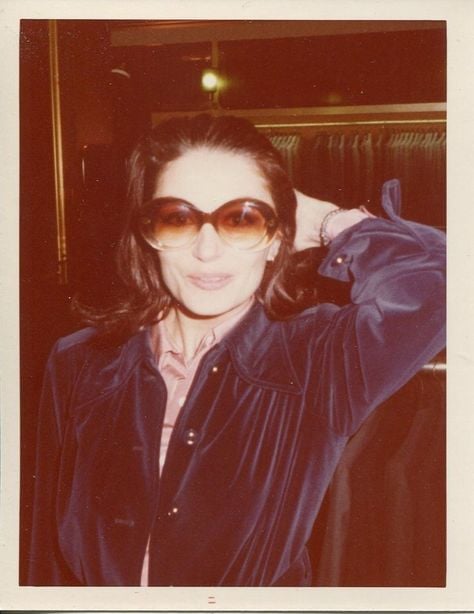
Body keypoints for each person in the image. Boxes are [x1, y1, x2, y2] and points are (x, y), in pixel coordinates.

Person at [27, 114, 446, 587]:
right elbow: (47, 562)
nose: (207, 250)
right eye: (177, 218)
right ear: (149, 237)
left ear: (278, 239)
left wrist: (328, 221)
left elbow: (446, 283)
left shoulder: (318, 360)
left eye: (241, 219)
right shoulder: (80, 362)